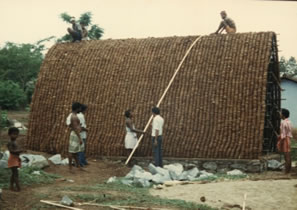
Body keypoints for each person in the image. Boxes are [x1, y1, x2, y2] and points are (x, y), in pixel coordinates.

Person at [7, 127, 25, 191]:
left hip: (15, 158)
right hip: (12, 159)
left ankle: (11, 186)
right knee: (16, 174)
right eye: (14, 134)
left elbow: (15, 149)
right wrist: (20, 151)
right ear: (9, 134)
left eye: (16, 134)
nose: (15, 136)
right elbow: (11, 151)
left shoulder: (14, 141)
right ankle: (18, 188)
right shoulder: (10, 143)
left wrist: (19, 151)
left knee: (13, 174)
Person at [67, 102, 84, 171]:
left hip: (75, 134)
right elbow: (75, 128)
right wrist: (79, 138)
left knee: (75, 152)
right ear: (77, 108)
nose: (81, 109)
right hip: (75, 135)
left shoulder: (74, 116)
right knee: (71, 151)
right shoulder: (74, 117)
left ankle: (78, 166)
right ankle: (70, 167)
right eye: (80, 108)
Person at [277, 108, 293, 174]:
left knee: (286, 156)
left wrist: (280, 141)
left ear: (283, 115)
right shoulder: (289, 122)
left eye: (280, 113)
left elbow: (283, 134)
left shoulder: (283, 123)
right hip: (288, 139)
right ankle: (288, 171)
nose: (279, 114)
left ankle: (286, 172)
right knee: (288, 155)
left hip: (285, 139)